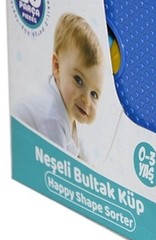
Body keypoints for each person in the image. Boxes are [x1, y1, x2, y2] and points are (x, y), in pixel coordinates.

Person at [14, 13, 104, 159]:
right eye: (78, 80)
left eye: (94, 94)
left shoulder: (67, 109)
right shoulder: (53, 117)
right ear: (57, 67)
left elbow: (77, 146)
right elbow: (58, 166)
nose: (87, 100)